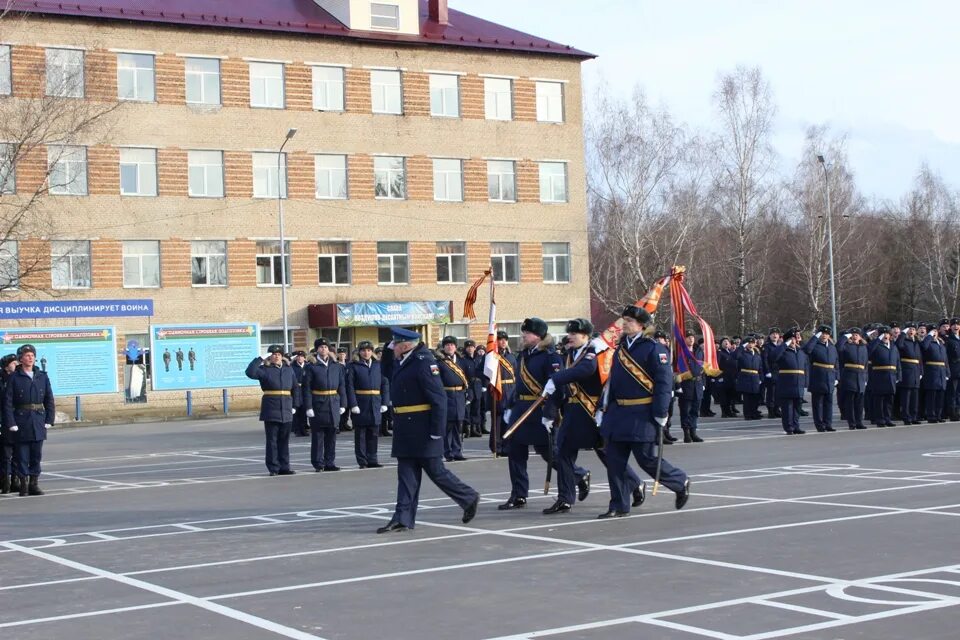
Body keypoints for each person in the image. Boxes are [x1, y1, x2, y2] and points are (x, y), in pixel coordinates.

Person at [376, 327, 479, 533]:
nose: (393, 347)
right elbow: (386, 370)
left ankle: (468, 497)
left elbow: (439, 400)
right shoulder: (404, 361)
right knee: (406, 475)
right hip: (406, 426)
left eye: (396, 343)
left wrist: (436, 431)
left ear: (405, 346)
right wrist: (388, 348)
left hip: (423, 428)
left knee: (436, 471)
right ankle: (402, 518)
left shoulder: (424, 363)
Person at [540, 318, 645, 514]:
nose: (569, 337)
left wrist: (556, 378)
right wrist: (549, 412)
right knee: (563, 452)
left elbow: (585, 370)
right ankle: (565, 498)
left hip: (593, 411)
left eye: (574, 334)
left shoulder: (593, 352)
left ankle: (634, 483)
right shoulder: (570, 354)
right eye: (569, 333)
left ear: (585, 336)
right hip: (572, 413)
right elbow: (562, 387)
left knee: (606, 454)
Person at [598, 305, 690, 518]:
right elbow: (613, 382)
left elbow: (664, 383)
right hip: (618, 414)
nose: (625, 324)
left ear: (641, 325)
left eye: (629, 321)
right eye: (624, 320)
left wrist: (661, 412)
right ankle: (618, 505)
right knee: (614, 461)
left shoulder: (653, 349)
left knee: (646, 459)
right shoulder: (621, 349)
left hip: (642, 412)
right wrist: (604, 409)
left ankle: (679, 481)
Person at [2, 344, 55, 496]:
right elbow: (8, 402)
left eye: (32, 355)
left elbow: (49, 399)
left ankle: (34, 483)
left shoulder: (42, 376)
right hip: (21, 419)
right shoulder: (14, 378)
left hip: (38, 418)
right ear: (21, 359)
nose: (30, 357)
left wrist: (49, 418)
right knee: (22, 455)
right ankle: (23, 484)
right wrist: (11, 422)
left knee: (36, 454)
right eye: (27, 355)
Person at [245, 345, 300, 476]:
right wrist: (259, 359)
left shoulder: (288, 369)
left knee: (284, 440)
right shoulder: (264, 370)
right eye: (273, 354)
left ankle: (284, 467)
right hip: (271, 408)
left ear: (282, 356)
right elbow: (250, 372)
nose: (276, 356)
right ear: (269, 356)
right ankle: (274, 468)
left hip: (286, 407)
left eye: (279, 354)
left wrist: (295, 405)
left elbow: (295, 388)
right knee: (272, 441)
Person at [303, 338, 347, 471]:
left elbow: (342, 386)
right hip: (318, 402)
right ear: (317, 350)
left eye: (326, 347)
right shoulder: (311, 367)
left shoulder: (336, 366)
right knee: (318, 436)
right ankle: (318, 463)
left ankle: (330, 462)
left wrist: (343, 403)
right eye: (321, 347)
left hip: (333, 402)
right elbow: (306, 388)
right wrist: (309, 407)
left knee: (331, 435)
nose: (324, 349)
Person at [346, 340, 389, 468]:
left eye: (369, 350)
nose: (366, 353)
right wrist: (353, 404)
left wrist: (385, 402)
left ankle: (373, 459)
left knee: (374, 433)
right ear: (359, 352)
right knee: (361, 435)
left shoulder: (378, 365)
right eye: (364, 350)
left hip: (375, 401)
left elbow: (385, 383)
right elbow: (350, 386)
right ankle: (362, 460)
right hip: (361, 401)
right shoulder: (353, 366)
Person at [436, 336, 471, 462]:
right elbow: (436, 381)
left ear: (455, 347)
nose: (449, 347)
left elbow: (468, 378)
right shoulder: (440, 362)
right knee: (447, 426)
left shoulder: (462, 361)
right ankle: (448, 452)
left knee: (458, 425)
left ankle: (457, 451)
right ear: (443, 347)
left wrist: (469, 393)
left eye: (452, 345)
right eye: (447, 345)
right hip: (447, 395)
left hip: (460, 395)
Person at [769, 328, 807, 435]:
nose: (793, 341)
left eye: (794, 339)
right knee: (788, 407)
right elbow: (773, 357)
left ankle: (796, 425)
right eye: (791, 339)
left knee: (797, 407)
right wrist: (785, 344)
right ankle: (789, 427)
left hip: (799, 382)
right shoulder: (783, 351)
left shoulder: (800, 352)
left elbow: (805, 367)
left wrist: (805, 382)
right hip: (787, 383)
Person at [803, 326, 839, 432]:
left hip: (830, 376)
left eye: (827, 334)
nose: (825, 336)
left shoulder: (832, 346)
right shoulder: (814, 345)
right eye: (822, 333)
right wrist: (814, 337)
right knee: (818, 403)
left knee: (828, 402)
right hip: (818, 376)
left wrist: (837, 376)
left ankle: (828, 424)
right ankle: (819, 424)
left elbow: (836, 362)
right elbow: (807, 350)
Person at [488, 330, 517, 456]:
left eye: (505, 339)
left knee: (508, 420)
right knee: (498, 421)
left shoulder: (511, 357)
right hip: (497, 390)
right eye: (500, 339)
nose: (503, 341)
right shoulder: (491, 356)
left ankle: (507, 446)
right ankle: (497, 446)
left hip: (510, 389)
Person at [867, 326, 900, 427]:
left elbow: (897, 361)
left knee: (889, 399)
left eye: (887, 334)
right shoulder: (876, 345)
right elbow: (869, 352)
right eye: (883, 334)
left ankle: (887, 418)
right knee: (879, 399)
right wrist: (877, 340)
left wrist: (899, 375)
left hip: (891, 375)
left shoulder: (893, 346)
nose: (886, 336)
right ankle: (880, 419)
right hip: (879, 375)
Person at [678, 330, 705, 443]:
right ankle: (686, 433)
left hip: (697, 384)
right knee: (685, 410)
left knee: (695, 410)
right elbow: (677, 370)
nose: (691, 339)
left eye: (692, 337)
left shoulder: (698, 351)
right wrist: (678, 385)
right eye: (688, 337)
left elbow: (703, 368)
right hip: (687, 384)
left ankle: (693, 432)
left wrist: (703, 383)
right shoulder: (681, 352)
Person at [895, 323, 923, 425]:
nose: (911, 331)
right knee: (906, 396)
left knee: (915, 396)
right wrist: (902, 334)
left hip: (916, 370)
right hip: (907, 370)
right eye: (909, 329)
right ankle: (906, 416)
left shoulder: (916, 342)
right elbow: (899, 345)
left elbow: (920, 358)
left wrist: (921, 371)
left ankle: (914, 416)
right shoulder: (904, 341)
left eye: (913, 329)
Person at [921, 326, 948, 423]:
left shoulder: (941, 343)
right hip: (931, 370)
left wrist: (947, 372)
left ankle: (938, 414)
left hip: (941, 370)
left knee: (940, 394)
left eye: (935, 331)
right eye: (932, 331)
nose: (934, 333)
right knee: (932, 394)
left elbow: (945, 359)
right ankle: (931, 415)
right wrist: (929, 336)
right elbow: (924, 346)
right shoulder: (928, 342)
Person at [0, 353, 19, 494]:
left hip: (17, 420)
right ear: (7, 367)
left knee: (18, 453)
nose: (16, 365)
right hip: (4, 421)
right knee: (5, 454)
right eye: (13, 363)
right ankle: (5, 482)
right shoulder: (3, 381)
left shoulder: (18, 379)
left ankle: (15, 481)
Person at [735, 335, 764, 420]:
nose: (750, 345)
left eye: (752, 343)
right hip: (745, 377)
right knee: (747, 398)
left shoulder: (757, 355)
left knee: (755, 397)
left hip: (755, 377)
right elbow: (735, 356)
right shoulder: (742, 353)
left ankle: (754, 413)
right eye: (749, 343)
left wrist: (761, 378)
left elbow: (760, 368)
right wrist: (742, 346)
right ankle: (747, 414)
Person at [462, 340, 484, 437]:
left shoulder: (479, 358)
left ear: (475, 348)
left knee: (477, 408)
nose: (470, 348)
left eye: (472, 347)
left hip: (478, 385)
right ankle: (468, 428)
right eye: (468, 347)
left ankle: (475, 428)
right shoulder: (463, 359)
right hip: (468, 385)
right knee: (468, 408)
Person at [762, 328, 782, 418]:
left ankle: (777, 409)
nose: (775, 336)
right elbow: (765, 360)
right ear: (769, 336)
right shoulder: (767, 346)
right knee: (771, 393)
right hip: (771, 372)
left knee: (778, 392)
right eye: (773, 334)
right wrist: (767, 371)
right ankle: (771, 410)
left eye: (777, 334)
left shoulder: (779, 346)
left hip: (779, 372)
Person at [290, 351, 310, 437]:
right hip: (296, 390)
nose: (300, 358)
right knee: (297, 410)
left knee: (304, 410)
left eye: (302, 356)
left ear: (304, 358)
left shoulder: (308, 366)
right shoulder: (292, 367)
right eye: (298, 356)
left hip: (305, 390)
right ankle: (297, 430)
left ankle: (304, 429)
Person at [946, 318, 960, 421]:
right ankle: (953, 413)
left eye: (958, 325)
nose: (956, 326)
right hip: (953, 369)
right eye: (954, 325)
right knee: (953, 393)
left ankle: (958, 411)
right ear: (951, 327)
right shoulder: (949, 340)